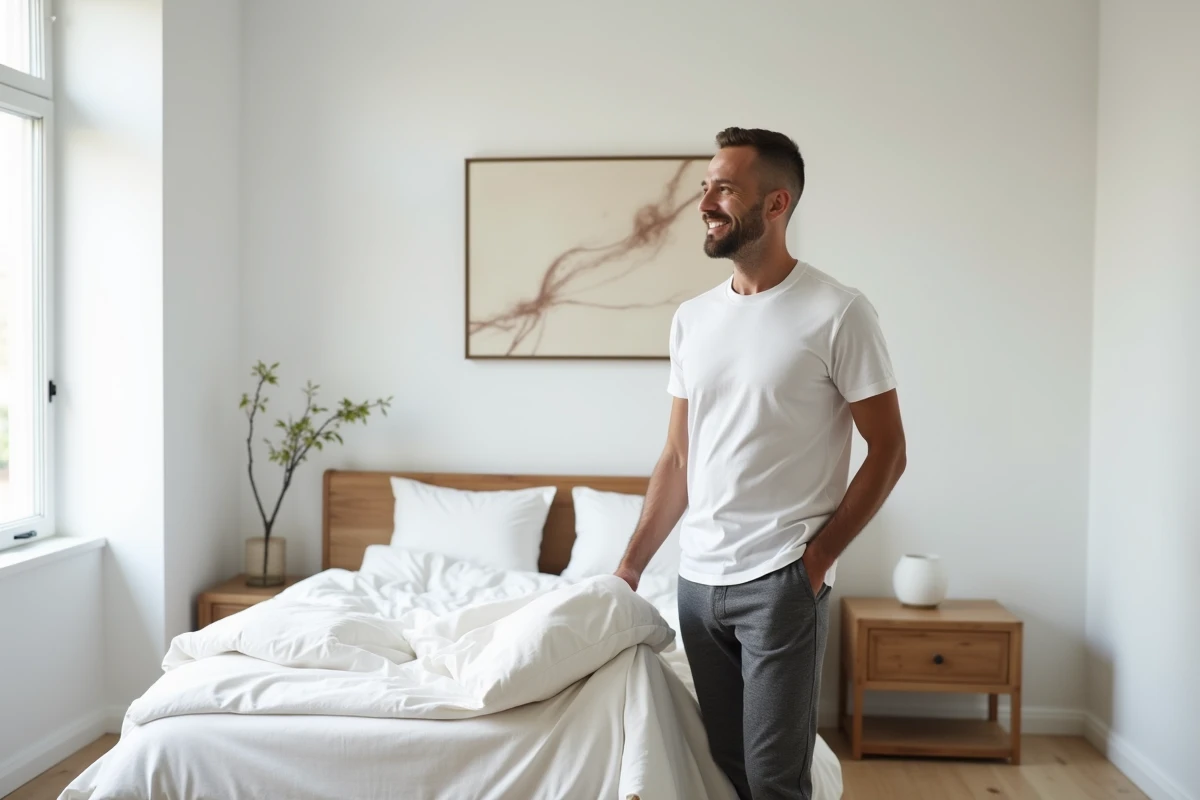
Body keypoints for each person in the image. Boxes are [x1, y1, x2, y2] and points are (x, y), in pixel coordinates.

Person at [614, 127, 907, 800]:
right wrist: (632, 564)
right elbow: (679, 456)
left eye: (724, 188)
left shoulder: (839, 312)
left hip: (779, 581)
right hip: (697, 582)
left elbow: (888, 452)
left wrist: (813, 562)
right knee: (731, 770)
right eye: (704, 187)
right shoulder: (693, 319)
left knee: (776, 781)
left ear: (776, 204)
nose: (705, 202)